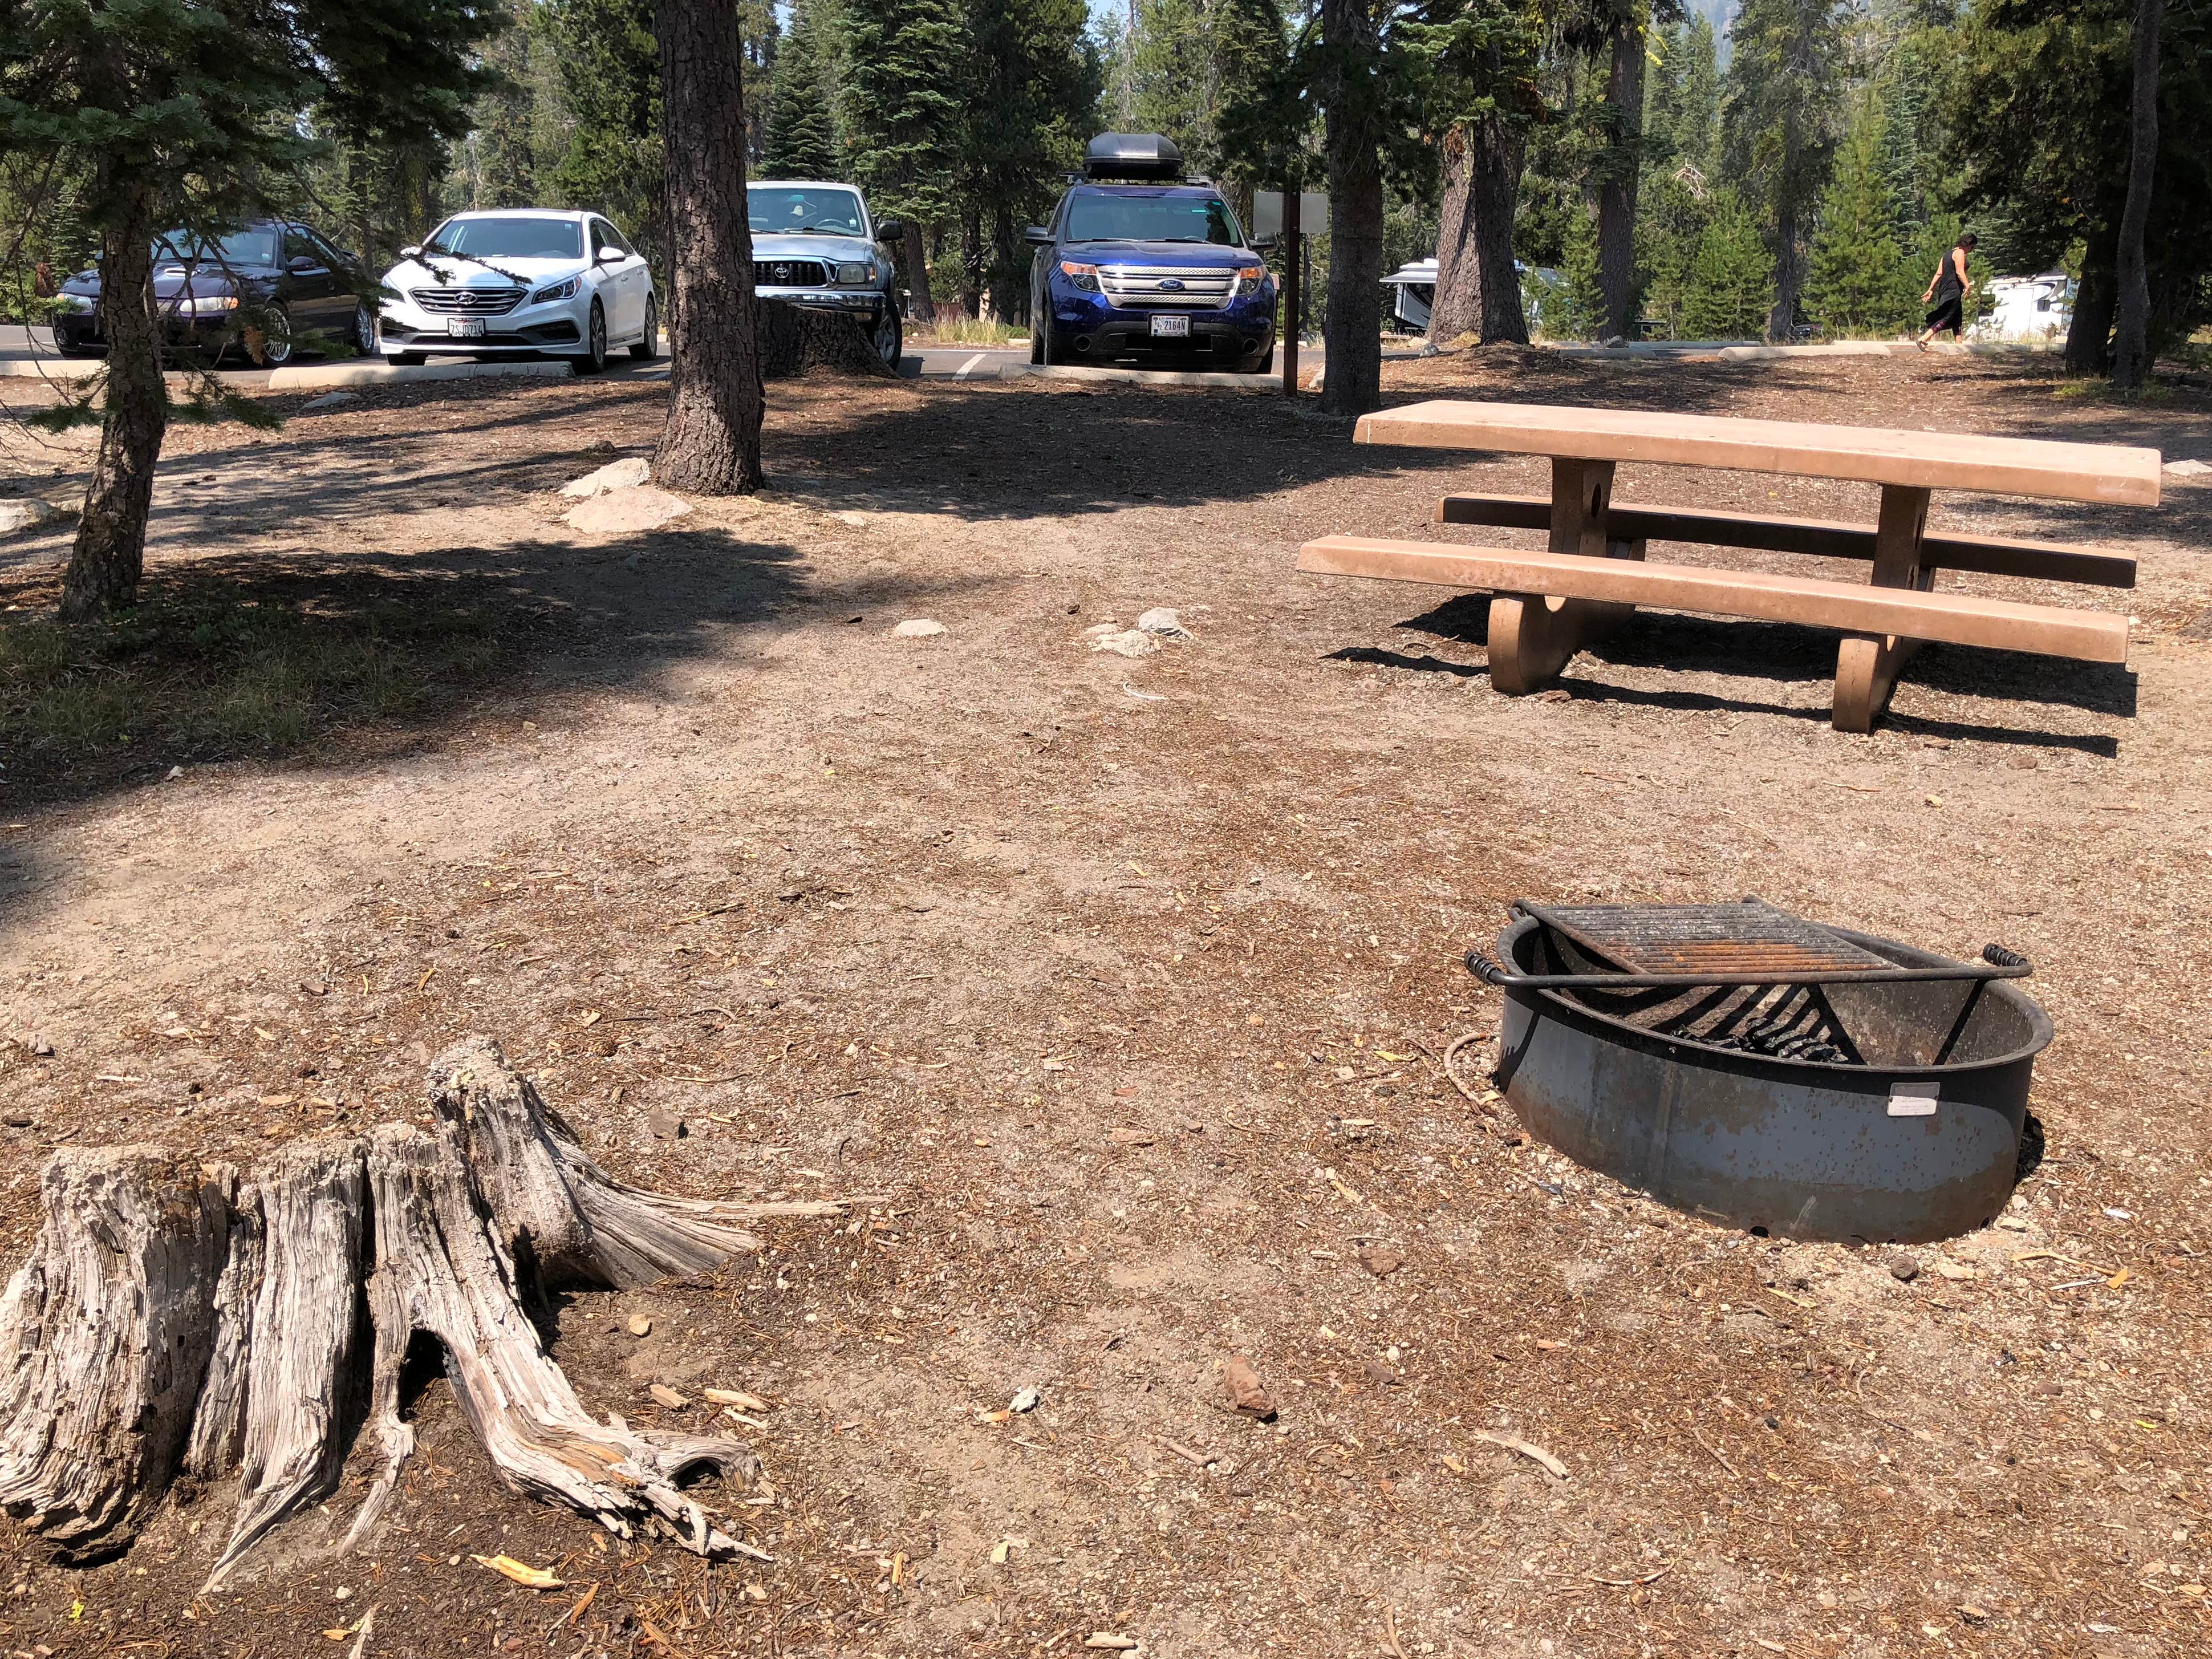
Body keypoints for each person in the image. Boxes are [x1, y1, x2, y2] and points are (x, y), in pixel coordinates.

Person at [1917, 232, 1976, 350]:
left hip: (1945, 289)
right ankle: (1923, 339)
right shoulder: (1960, 253)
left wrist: (1931, 290)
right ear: (1969, 244)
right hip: (1953, 290)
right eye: (1973, 247)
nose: (1972, 250)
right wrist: (1967, 286)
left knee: (1957, 317)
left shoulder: (1947, 254)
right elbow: (1960, 272)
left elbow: (1939, 273)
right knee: (1948, 317)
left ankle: (1959, 345)